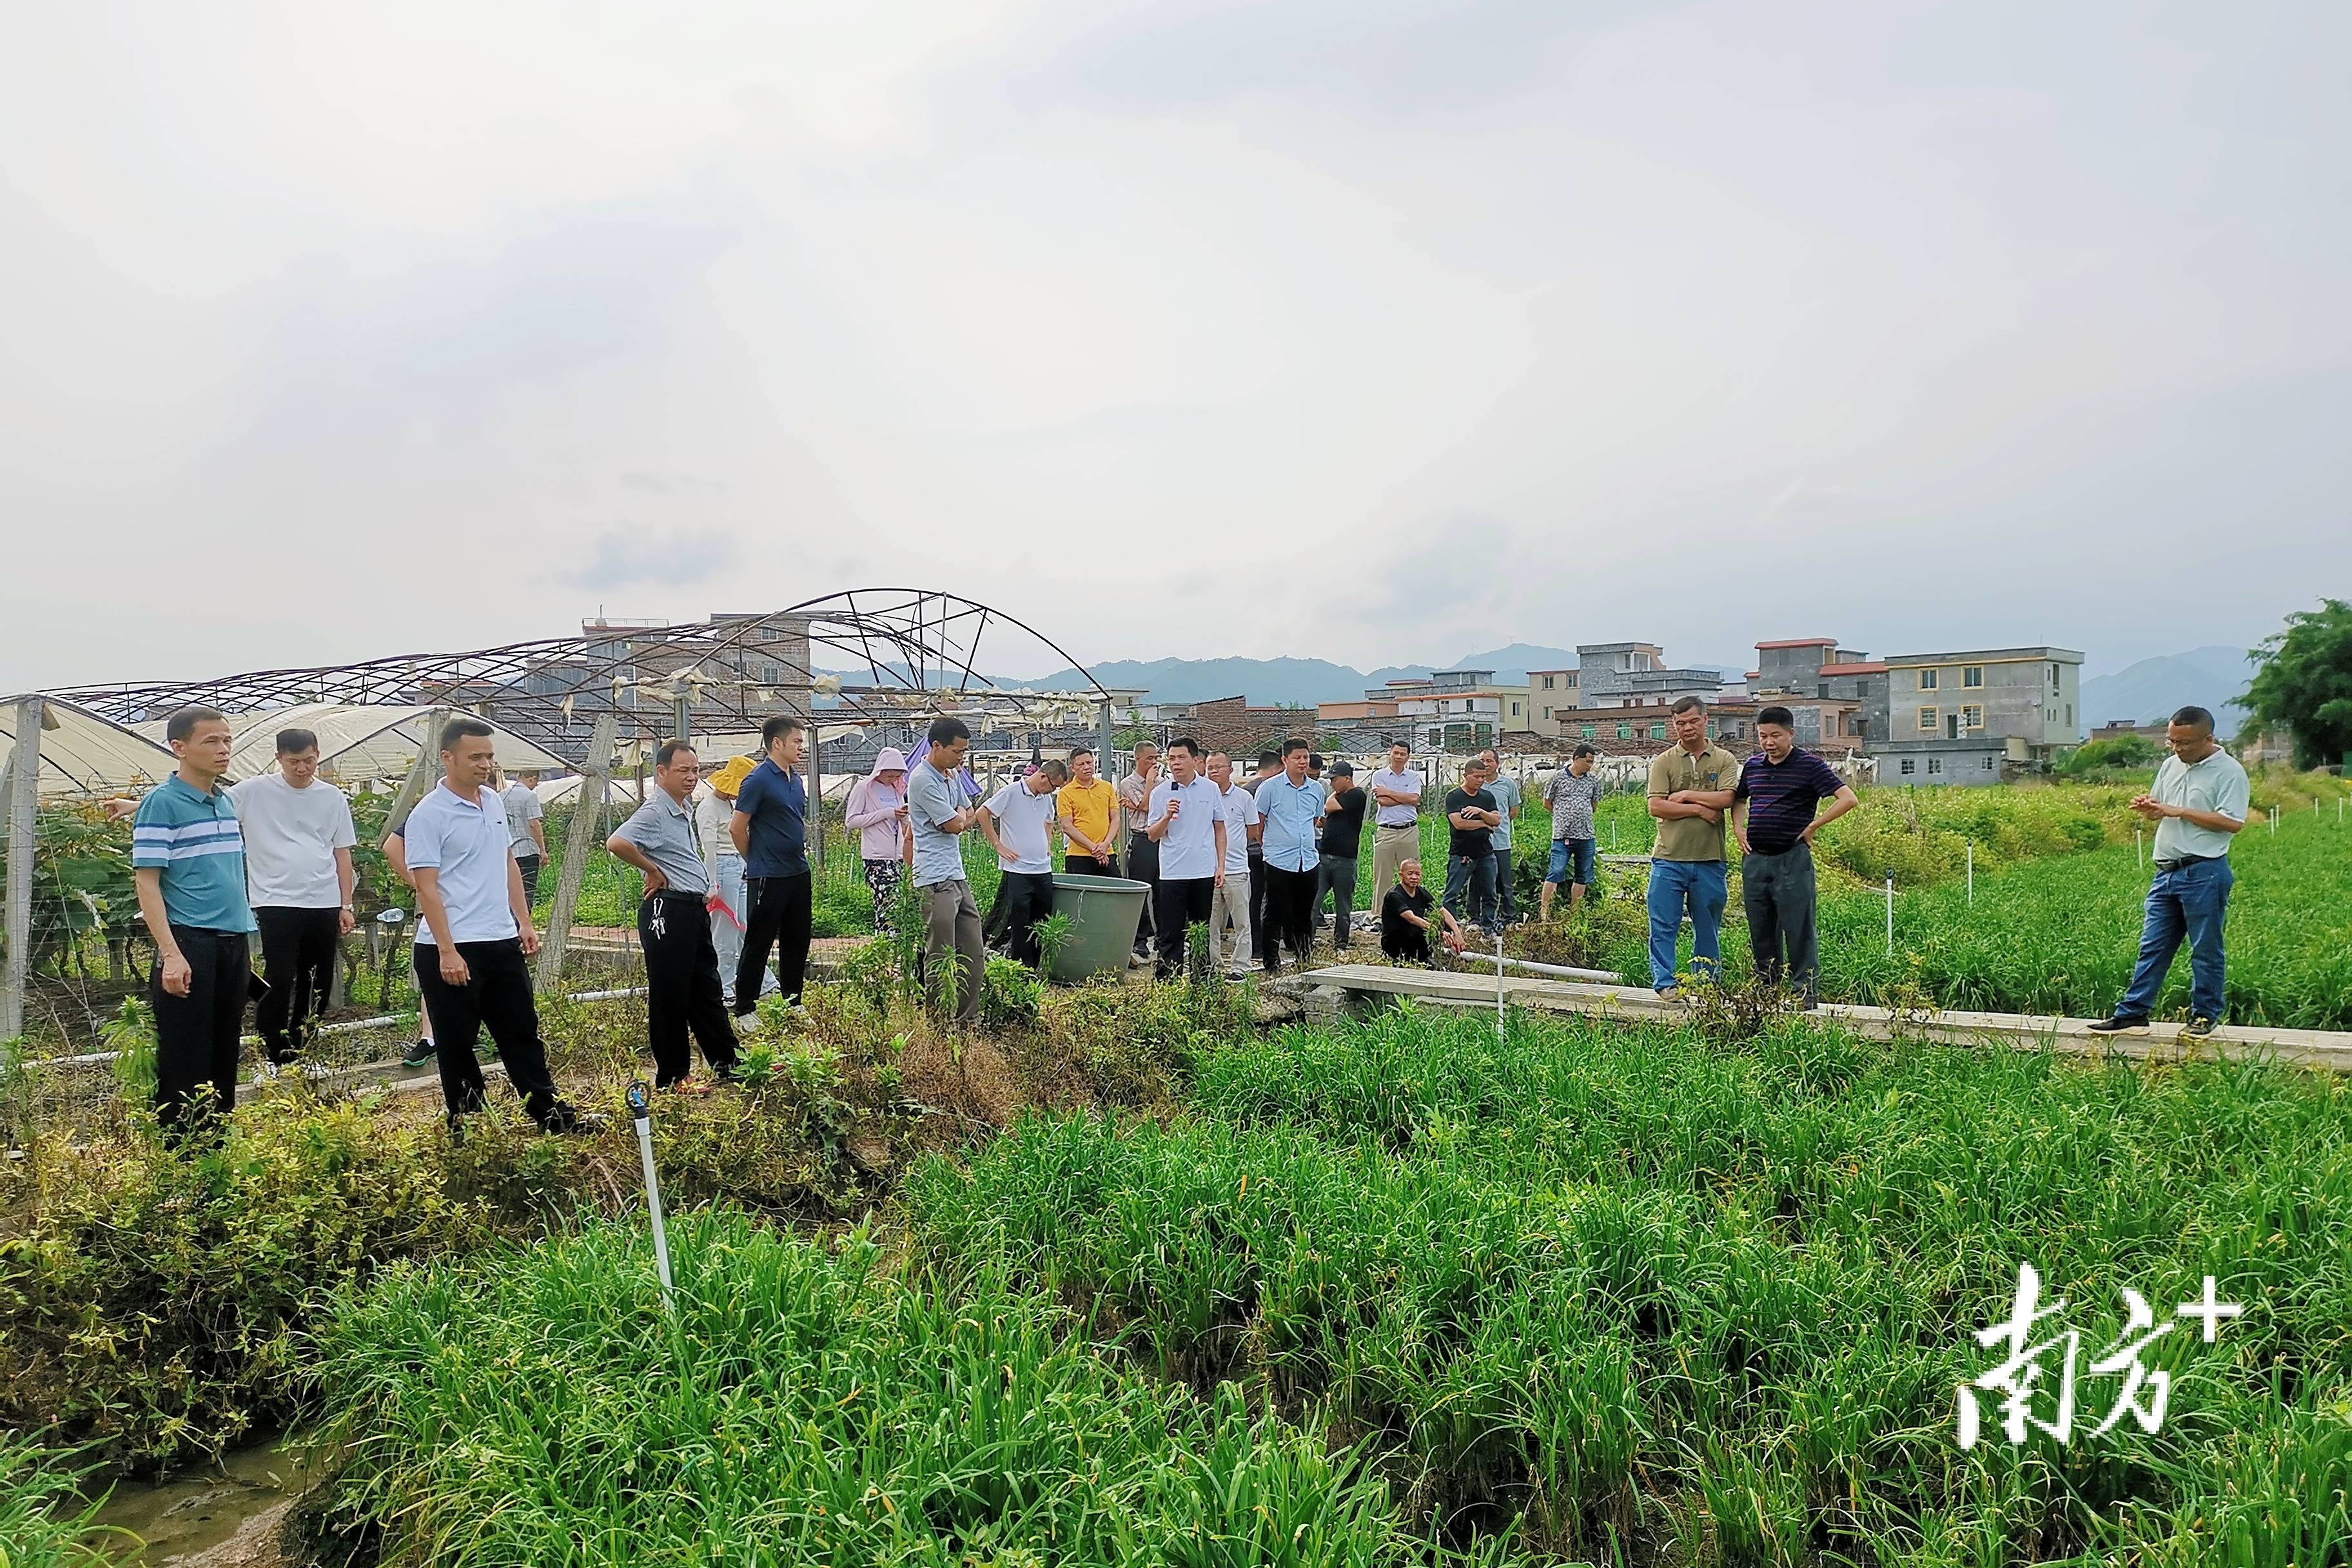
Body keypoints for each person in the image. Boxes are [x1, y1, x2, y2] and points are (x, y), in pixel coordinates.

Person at [405, 718, 587, 1134]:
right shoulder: (429, 815)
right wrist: (448, 950)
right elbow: (427, 888)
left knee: (521, 1033)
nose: (485, 764)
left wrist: (523, 921)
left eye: (489, 756)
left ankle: (551, 1116)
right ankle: (471, 1126)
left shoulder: (493, 801)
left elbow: (507, 864)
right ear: (447, 758)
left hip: (500, 940)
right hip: (451, 947)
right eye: (475, 757)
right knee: (457, 1044)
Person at [130, 707, 258, 1137]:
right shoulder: (162, 803)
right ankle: (179, 1163)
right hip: (190, 943)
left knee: (224, 1054)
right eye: (212, 741)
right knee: (186, 1059)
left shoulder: (222, 800)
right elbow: (147, 884)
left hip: (232, 942)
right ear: (179, 748)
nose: (224, 749)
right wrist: (172, 955)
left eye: (227, 740)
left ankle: (215, 1155)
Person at [2090, 706, 2250, 1038]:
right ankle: (2133, 1013)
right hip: (2165, 872)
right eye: (2171, 741)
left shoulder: (2229, 772)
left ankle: (2204, 1015)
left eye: (2185, 743)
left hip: (2204, 871)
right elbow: (2160, 812)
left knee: (2205, 948)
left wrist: (2179, 811)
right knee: (2153, 945)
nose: (2177, 749)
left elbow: (2233, 823)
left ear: (2208, 738)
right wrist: (2151, 809)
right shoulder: (2170, 765)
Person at [606, 741, 741, 1092]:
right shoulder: (655, 811)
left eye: (695, 770)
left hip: (691, 908)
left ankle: (728, 1062)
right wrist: (651, 869)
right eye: (683, 770)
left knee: (706, 990)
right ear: (661, 771)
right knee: (671, 994)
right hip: (668, 910)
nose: (692, 777)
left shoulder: (682, 808)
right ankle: (673, 1076)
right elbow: (617, 843)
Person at [233, 727, 357, 1073]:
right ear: (278, 759)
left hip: (323, 900)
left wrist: (345, 904)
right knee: (280, 976)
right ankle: (271, 1050)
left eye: (309, 760)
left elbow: (341, 852)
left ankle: (302, 1051)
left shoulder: (332, 797)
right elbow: (204, 803)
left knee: (317, 979)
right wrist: (138, 804)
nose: (302, 769)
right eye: (294, 762)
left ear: (318, 754)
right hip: (276, 899)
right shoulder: (253, 791)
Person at [1731, 707, 1859, 1004]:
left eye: (1776, 735)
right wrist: (1739, 829)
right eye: (1763, 736)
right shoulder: (1753, 766)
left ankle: (1804, 992)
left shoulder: (1810, 766)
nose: (1769, 742)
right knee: (1760, 928)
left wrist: (1814, 826)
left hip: (1792, 859)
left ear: (1791, 733)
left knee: (1798, 928)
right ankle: (1766, 989)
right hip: (1756, 860)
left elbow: (1848, 799)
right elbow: (1738, 799)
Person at [1645, 696, 1740, 998]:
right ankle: (1665, 983)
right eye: (1680, 723)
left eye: (1692, 721)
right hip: (1669, 858)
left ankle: (1706, 984)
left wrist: (1684, 794)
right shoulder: (1664, 761)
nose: (1686, 728)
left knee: (1708, 926)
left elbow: (1726, 799)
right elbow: (1657, 807)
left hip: (1710, 858)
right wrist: (1699, 809)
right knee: (1663, 924)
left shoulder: (1724, 759)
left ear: (1705, 720)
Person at [906, 718, 986, 1024]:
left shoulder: (950, 776)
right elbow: (955, 824)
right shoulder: (922, 780)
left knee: (973, 952)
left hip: (956, 874)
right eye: (957, 751)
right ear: (936, 746)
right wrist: (961, 820)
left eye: (964, 752)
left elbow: (969, 811)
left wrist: (960, 819)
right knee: (940, 955)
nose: (961, 758)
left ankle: (967, 1021)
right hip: (935, 879)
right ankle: (940, 1025)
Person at [729, 716, 812, 1015]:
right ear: (777, 744)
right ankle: (745, 1008)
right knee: (759, 942)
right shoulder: (758, 779)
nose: (801, 748)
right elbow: (737, 828)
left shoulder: (796, 779)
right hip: (768, 874)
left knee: (798, 939)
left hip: (798, 870)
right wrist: (756, 860)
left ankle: (793, 1002)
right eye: (797, 742)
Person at [1146, 737, 1227, 978]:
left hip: (1203, 870)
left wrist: (1220, 865)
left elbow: (1220, 828)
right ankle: (1168, 982)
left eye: (1181, 758)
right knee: (1171, 932)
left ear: (1195, 761)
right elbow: (1152, 835)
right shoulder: (1161, 793)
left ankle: (1201, 981)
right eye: (1171, 759)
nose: (1176, 763)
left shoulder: (1210, 788)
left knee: (1201, 929)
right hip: (1172, 872)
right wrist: (1166, 817)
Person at [696, 754, 773, 1001]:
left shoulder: (730, 805)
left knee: (745, 929)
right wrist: (711, 884)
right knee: (725, 933)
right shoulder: (708, 808)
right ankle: (724, 988)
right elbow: (709, 850)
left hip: (739, 866)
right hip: (722, 868)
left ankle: (763, 982)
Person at [978, 757, 1067, 968]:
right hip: (1018, 869)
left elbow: (1048, 821)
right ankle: (1019, 966)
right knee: (1020, 921)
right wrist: (999, 846)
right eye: (1053, 786)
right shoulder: (1011, 792)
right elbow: (983, 813)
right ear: (1043, 777)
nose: (1052, 792)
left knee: (1041, 919)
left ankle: (1035, 966)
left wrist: (1048, 845)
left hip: (1042, 869)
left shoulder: (1045, 799)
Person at [1255, 740, 1326, 974]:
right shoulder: (1270, 788)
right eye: (1297, 757)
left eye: (1305, 757)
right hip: (1278, 861)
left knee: (1304, 914)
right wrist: (1270, 847)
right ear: (1285, 760)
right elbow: (1259, 822)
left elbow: (1315, 820)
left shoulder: (1316, 789)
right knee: (1275, 913)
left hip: (1308, 860)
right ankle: (1272, 963)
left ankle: (1304, 958)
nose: (1303, 762)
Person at [381, 827, 443, 1071]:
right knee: (436, 969)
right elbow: (392, 846)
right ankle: (429, 1038)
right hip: (442, 907)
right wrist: (423, 885)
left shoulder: (490, 808)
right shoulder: (433, 809)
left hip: (485, 910)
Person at [843, 748, 915, 930]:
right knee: (886, 900)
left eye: (897, 776)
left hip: (897, 855)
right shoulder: (864, 788)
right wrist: (886, 813)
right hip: (876, 856)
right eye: (890, 775)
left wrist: (902, 815)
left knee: (898, 902)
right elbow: (851, 821)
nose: (892, 780)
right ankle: (885, 938)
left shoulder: (895, 790)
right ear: (880, 770)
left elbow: (898, 819)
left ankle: (894, 942)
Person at [1206, 752, 1259, 974]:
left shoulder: (1244, 797)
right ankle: (1213, 967)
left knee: (1242, 922)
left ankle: (1240, 966)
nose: (1214, 771)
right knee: (1210, 924)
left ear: (1231, 769)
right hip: (1207, 870)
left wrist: (1232, 845)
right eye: (1210, 767)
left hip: (1236, 869)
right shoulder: (1203, 796)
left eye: (1219, 767)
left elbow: (1253, 830)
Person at [1539, 745, 1604, 920]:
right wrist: (1562, 816)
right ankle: (1545, 912)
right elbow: (1547, 802)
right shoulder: (1557, 778)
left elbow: (1594, 805)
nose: (1590, 765)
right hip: (1562, 835)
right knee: (1556, 871)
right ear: (1576, 758)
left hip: (1586, 836)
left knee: (1583, 874)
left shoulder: (1593, 781)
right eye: (1588, 761)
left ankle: (1575, 914)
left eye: (1592, 762)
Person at [1442, 758, 1502, 936]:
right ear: (1466, 775)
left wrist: (1480, 812)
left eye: (1483, 777)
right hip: (1462, 854)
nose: (1480, 780)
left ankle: (1488, 928)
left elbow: (1497, 820)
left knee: (1490, 893)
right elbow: (1459, 824)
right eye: (1477, 777)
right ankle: (1451, 929)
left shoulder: (1487, 797)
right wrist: (1484, 824)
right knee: (1452, 893)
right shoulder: (1454, 797)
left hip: (1485, 853)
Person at [1117, 741, 1162, 961]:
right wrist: (1150, 785)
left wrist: (1140, 802)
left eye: (1156, 758)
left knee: (1163, 889)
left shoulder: (1165, 782)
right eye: (1149, 759)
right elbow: (1146, 806)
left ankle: (1164, 935)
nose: (1154, 763)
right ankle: (1140, 938)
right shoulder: (1129, 783)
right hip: (1143, 838)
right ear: (1138, 759)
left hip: (1163, 838)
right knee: (1142, 889)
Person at [1367, 741, 1424, 903]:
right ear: (1390, 753)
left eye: (1402, 754)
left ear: (1408, 757)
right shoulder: (1379, 775)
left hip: (1409, 831)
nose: (1399, 757)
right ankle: (1380, 914)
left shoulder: (1413, 776)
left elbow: (1414, 798)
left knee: (1411, 874)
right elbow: (1383, 801)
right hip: (1386, 831)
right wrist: (1404, 797)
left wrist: (1388, 792)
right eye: (1396, 753)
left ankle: (1410, 911)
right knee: (1383, 876)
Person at [1317, 761, 1366, 949]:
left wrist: (1334, 796)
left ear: (1347, 778)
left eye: (1335, 780)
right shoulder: (1340, 799)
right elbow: (1324, 818)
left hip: (1345, 859)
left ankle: (1341, 942)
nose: (1332, 784)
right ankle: (1306, 940)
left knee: (1343, 906)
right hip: (1325, 856)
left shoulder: (1356, 795)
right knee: (1315, 901)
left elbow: (1328, 806)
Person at [1380, 859, 1467, 963]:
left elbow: (1441, 910)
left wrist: (1457, 933)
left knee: (1434, 930)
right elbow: (1412, 919)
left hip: (1415, 941)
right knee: (1422, 930)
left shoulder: (1421, 892)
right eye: (1410, 874)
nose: (1414, 877)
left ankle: (1426, 959)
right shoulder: (1394, 895)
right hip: (1395, 943)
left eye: (1417, 874)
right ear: (1401, 875)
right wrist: (1439, 932)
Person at [1056, 746, 1121, 877]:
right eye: (1081, 764)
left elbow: (1115, 818)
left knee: (1114, 892)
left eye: (1089, 763)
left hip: (1107, 852)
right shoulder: (1066, 793)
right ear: (1073, 768)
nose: (1086, 767)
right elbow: (1067, 826)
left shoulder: (1107, 787)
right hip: (1079, 856)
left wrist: (1105, 845)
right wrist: (1093, 848)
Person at [1242, 749, 1280, 962]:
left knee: (1254, 900)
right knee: (1269, 900)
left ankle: (1256, 946)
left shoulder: (1245, 789)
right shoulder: (1269, 789)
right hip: (1266, 853)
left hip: (1248, 853)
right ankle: (1267, 945)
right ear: (1275, 769)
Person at [1478, 748, 1523, 925]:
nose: (1486, 764)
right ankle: (1480, 918)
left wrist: (1498, 823)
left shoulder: (1507, 784)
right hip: (1479, 842)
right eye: (1482, 760)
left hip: (1501, 840)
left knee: (1505, 882)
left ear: (1497, 763)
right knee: (1479, 883)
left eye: (1489, 761)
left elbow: (1513, 811)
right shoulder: (1476, 784)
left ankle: (1509, 917)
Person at [501, 769, 547, 906]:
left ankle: (512, 923)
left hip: (508, 852)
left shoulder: (500, 796)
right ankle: (523, 923)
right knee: (528, 890)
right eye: (536, 782)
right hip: (527, 850)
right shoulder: (529, 796)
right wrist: (542, 850)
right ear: (532, 778)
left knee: (509, 891)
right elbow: (534, 823)